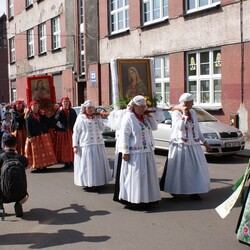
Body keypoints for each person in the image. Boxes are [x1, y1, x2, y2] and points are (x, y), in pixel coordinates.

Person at [160, 93, 211, 200]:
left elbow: (197, 128)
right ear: (185, 103)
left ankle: (195, 190)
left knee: (196, 169)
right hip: (181, 145)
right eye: (191, 101)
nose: (193, 103)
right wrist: (184, 114)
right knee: (181, 170)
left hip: (194, 145)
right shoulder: (176, 112)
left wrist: (205, 142)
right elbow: (180, 126)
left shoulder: (192, 112)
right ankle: (176, 190)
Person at [114, 95, 161, 210]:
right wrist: (125, 151)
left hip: (147, 151)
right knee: (136, 178)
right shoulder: (128, 117)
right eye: (139, 107)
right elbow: (124, 135)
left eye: (144, 107)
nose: (142, 109)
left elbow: (154, 128)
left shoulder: (144, 118)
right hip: (135, 153)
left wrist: (149, 115)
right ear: (134, 106)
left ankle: (148, 198)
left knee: (147, 177)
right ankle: (135, 200)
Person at [72, 100, 112, 192]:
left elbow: (102, 128)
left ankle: (98, 182)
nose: (90, 110)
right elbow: (76, 132)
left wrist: (99, 118)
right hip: (86, 144)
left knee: (98, 164)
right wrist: (75, 145)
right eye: (88, 108)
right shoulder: (81, 118)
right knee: (88, 165)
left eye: (92, 108)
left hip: (98, 144)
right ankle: (88, 183)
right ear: (85, 109)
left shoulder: (96, 118)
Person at [0, 134, 29, 218]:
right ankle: (18, 203)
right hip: (21, 194)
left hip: (4, 195)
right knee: (25, 191)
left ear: (3, 145)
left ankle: (1, 210)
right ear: (16, 144)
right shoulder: (22, 158)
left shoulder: (1, 157)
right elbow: (26, 167)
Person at [25, 100, 57, 170]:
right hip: (35, 136)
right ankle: (38, 166)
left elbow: (48, 122)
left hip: (44, 135)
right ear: (31, 107)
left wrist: (44, 115)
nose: (35, 107)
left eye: (36, 106)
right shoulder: (29, 117)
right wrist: (29, 136)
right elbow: (28, 128)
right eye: (34, 106)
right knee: (37, 152)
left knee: (45, 150)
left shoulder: (41, 115)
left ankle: (45, 164)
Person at [54, 97, 77, 168]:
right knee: (64, 148)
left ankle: (71, 161)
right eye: (64, 102)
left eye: (67, 102)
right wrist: (59, 111)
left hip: (70, 131)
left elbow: (76, 120)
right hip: (63, 131)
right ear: (62, 103)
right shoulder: (60, 111)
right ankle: (66, 162)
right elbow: (56, 120)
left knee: (71, 146)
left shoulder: (72, 111)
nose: (66, 103)